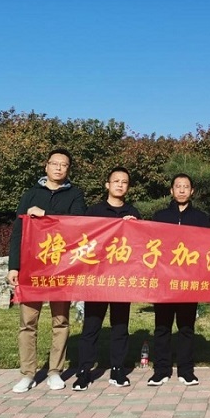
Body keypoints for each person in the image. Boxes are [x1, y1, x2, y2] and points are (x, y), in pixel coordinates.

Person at [7, 148, 87, 393]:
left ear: (68, 169)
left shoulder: (75, 195)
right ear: (46, 166)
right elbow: (18, 232)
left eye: (64, 164)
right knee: (28, 322)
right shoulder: (30, 194)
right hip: (32, 267)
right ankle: (27, 374)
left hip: (61, 268)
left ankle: (55, 371)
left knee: (60, 321)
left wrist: (46, 216)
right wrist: (14, 266)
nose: (59, 168)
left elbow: (78, 225)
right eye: (55, 163)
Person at [72, 167, 141, 391]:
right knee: (91, 326)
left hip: (122, 279)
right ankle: (84, 371)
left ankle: (117, 370)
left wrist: (135, 226)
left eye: (124, 182)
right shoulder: (94, 211)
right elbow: (83, 240)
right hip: (97, 279)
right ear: (107, 185)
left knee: (120, 326)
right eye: (116, 181)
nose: (120, 185)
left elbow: (141, 245)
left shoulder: (133, 212)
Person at [147, 173, 210, 387]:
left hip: (189, 282)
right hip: (164, 281)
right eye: (178, 186)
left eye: (186, 186)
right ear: (171, 190)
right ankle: (161, 370)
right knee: (162, 326)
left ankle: (186, 370)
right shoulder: (159, 217)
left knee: (186, 327)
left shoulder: (201, 218)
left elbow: (207, 248)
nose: (182, 190)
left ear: (192, 191)